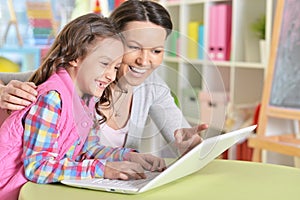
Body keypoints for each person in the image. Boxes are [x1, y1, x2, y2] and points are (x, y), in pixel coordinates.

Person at [0, 0, 207, 157]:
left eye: (156, 50)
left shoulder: (153, 88)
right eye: (134, 47)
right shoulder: (72, 79)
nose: (145, 61)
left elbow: (181, 135)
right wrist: (2, 92)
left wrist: (188, 145)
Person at [0, 13, 165, 200]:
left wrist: (129, 157)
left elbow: (88, 149)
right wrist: (102, 169)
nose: (111, 75)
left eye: (116, 67)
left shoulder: (86, 100)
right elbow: (37, 167)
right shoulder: (52, 99)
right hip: (12, 193)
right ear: (76, 57)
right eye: (104, 63)